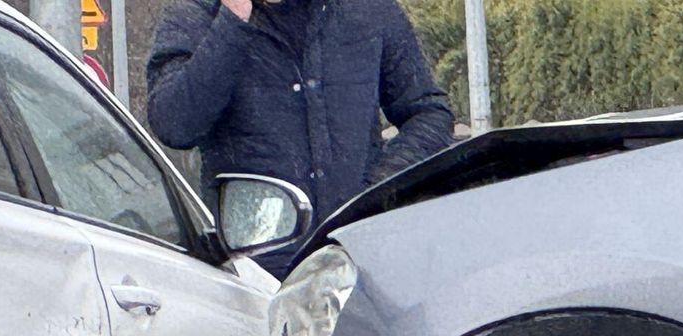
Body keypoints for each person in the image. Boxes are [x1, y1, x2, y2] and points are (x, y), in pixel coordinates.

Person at [147, 0, 455, 276]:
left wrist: (376, 190)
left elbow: (429, 114)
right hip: (252, 276)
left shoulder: (367, 10)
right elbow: (174, 125)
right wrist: (233, 20)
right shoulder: (196, 15)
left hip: (358, 261)